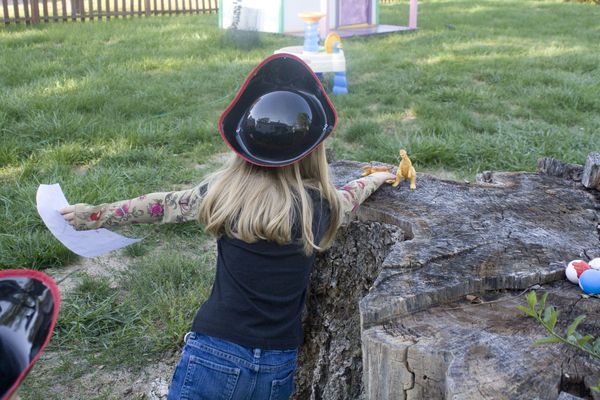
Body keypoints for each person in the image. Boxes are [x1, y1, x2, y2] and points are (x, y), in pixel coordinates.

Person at [60, 53, 395, 400]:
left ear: (245, 143)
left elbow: (160, 206)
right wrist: (379, 178)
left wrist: (94, 215)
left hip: (213, 353)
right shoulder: (322, 206)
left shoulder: (224, 194)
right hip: (278, 365)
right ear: (314, 151)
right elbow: (350, 195)